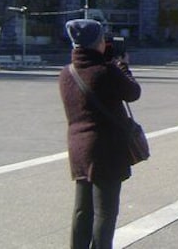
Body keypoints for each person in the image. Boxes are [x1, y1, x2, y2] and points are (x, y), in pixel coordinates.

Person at [58, 19, 141, 249]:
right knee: (105, 213)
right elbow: (133, 92)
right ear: (97, 43)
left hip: (78, 148)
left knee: (82, 210)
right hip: (106, 150)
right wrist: (122, 66)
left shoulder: (67, 73)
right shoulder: (105, 72)